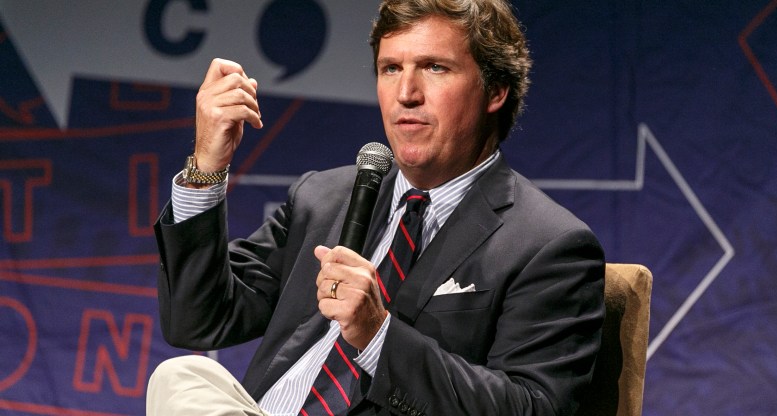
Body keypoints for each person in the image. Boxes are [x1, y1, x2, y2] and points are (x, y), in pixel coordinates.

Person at [147, 0, 605, 415]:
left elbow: (532, 409)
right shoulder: (324, 198)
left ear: (496, 91)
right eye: (390, 68)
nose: (406, 92)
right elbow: (198, 320)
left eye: (435, 68)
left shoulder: (547, 245)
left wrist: (377, 335)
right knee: (182, 377)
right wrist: (207, 166)